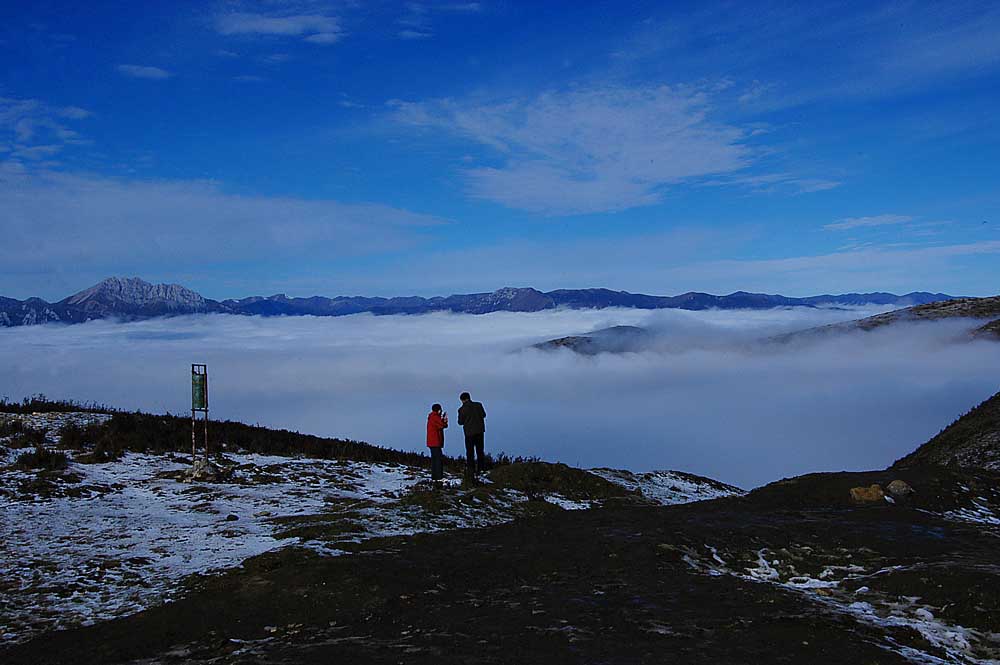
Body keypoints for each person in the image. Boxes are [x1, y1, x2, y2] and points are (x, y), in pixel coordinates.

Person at [457, 391, 487, 481]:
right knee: (480, 450)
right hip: (479, 431)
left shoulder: (461, 409)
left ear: (462, 400)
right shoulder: (478, 405)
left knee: (470, 452)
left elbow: (460, 422)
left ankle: (471, 470)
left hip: (469, 433)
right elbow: (484, 415)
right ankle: (481, 468)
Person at [426, 403, 448, 488]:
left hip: (431, 441)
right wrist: (444, 420)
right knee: (438, 459)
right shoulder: (435, 417)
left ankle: (435, 476)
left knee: (435, 459)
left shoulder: (432, 417)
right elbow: (442, 425)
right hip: (435, 441)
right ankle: (438, 477)